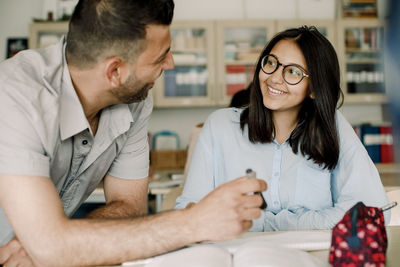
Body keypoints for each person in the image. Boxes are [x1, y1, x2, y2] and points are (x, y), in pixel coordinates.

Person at [0, 0, 267, 266]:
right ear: (115, 71)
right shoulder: (14, 97)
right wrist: (194, 223)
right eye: (161, 56)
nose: (171, 64)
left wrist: (63, 242)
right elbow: (51, 247)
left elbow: (129, 208)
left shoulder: (135, 99)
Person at [175, 26, 389, 231]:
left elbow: (373, 212)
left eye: (293, 72)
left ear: (314, 88)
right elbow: (188, 211)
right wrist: (316, 219)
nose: (274, 78)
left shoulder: (332, 126)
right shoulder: (219, 126)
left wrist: (262, 223)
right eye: (271, 63)